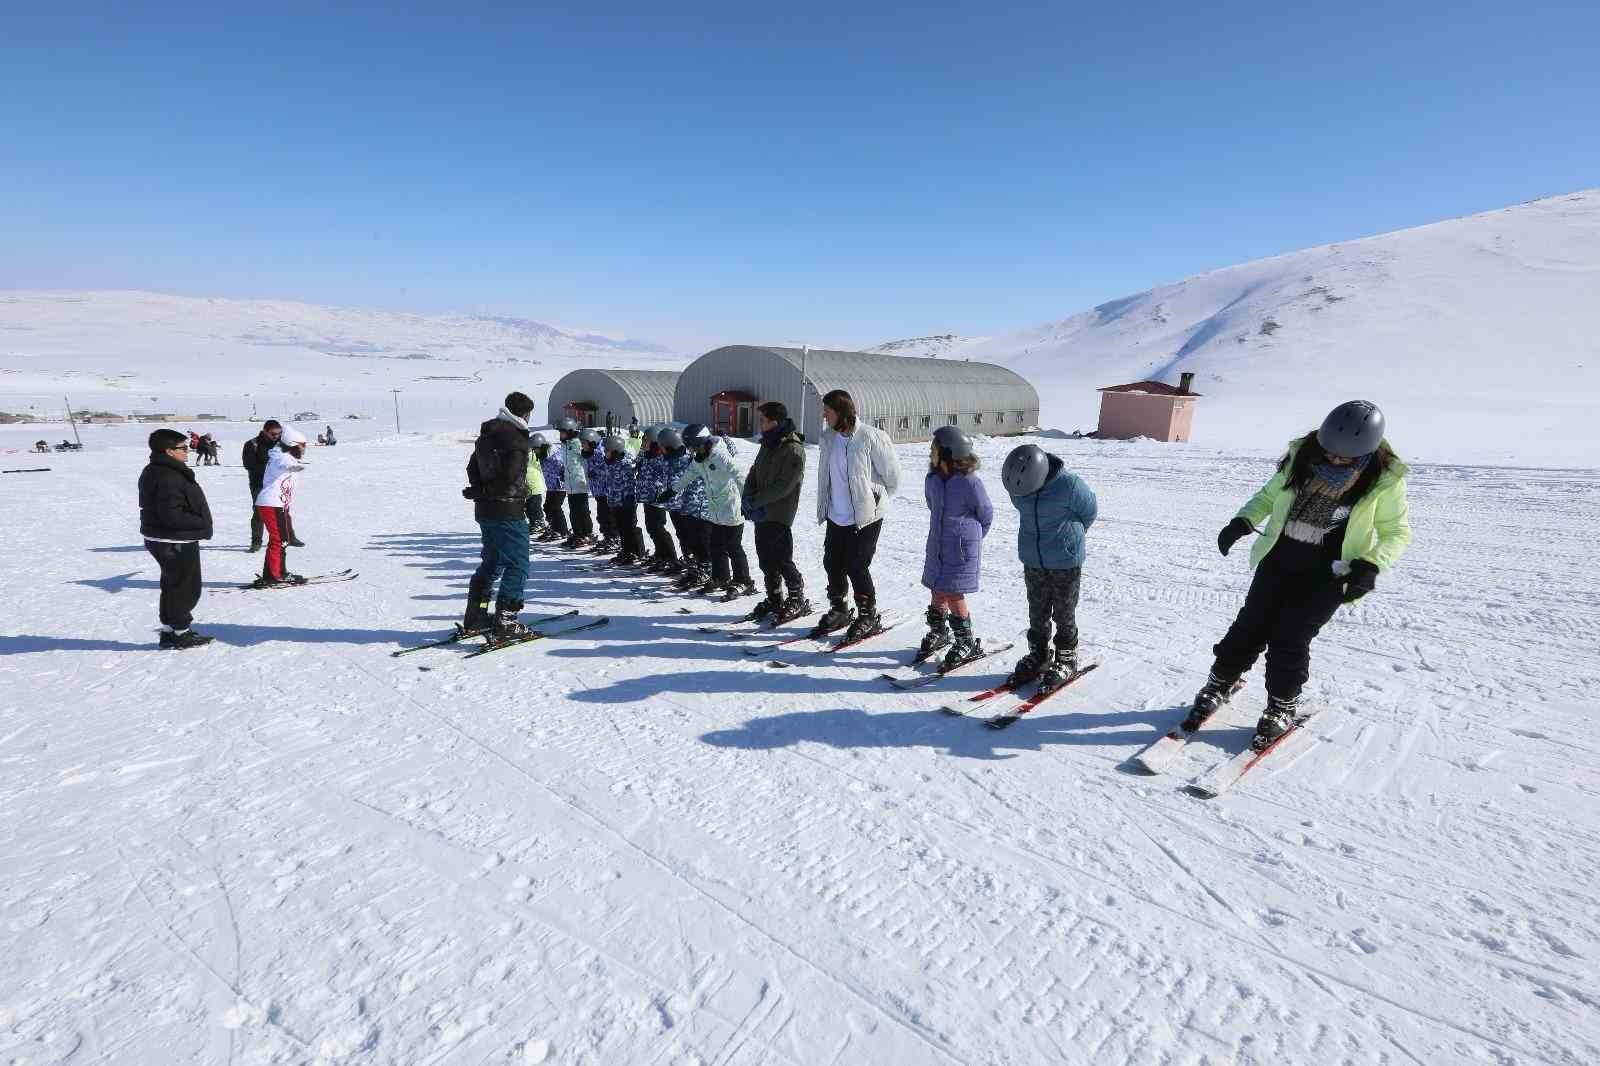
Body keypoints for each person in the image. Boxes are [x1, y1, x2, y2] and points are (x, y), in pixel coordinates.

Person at [1190, 401, 1411, 749]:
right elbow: (1268, 495)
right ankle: (1220, 682)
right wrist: (1243, 520)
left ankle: (1282, 706)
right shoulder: (1302, 456)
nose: (1335, 460)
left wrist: (1370, 565)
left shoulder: (1383, 481)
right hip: (1280, 557)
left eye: (1346, 458)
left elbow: (1396, 532)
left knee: (1290, 638)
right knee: (1249, 626)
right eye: (1330, 453)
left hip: (1329, 574)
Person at [1000, 443, 1097, 694]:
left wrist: (1071, 539)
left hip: (1065, 561)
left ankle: (1066, 658)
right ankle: (1039, 655)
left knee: (1064, 612)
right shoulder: (1019, 485)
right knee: (1037, 611)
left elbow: (1090, 511)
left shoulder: (1070, 485)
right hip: (1033, 559)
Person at [813, 389, 901, 641]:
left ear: (841, 411)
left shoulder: (871, 437)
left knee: (856, 565)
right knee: (832, 562)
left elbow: (893, 477)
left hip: (865, 516)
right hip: (836, 514)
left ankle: (867, 615)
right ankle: (839, 609)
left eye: (827, 411)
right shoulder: (828, 438)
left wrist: (874, 498)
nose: (824, 416)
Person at [462, 392, 536, 637]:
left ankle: (477, 615)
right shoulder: (516, 439)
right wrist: (491, 491)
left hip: (485, 510)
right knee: (518, 564)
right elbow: (510, 478)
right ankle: (506, 621)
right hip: (508, 510)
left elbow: (472, 467)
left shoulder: (487, 435)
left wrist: (480, 491)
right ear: (525, 414)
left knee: (492, 562)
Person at [919, 427, 993, 668]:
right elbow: (933, 507)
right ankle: (939, 631)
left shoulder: (970, 483)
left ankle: (966, 640)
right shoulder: (932, 480)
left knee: (953, 592)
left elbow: (986, 514)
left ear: (950, 452)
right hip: (939, 544)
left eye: (935, 447)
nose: (931, 451)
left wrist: (969, 539)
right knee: (936, 589)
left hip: (960, 548)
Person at [139, 429, 215, 648]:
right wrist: (202, 523)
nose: (188, 451)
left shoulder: (159, 469)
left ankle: (170, 630)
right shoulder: (167, 476)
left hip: (164, 538)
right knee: (186, 588)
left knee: (172, 585)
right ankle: (181, 632)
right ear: (169, 451)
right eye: (183, 448)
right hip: (174, 540)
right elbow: (171, 515)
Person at [739, 401, 810, 623]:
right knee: (765, 559)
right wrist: (747, 496)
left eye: (762, 420)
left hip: (779, 513)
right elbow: (754, 471)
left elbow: (784, 485)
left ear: (775, 422)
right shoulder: (767, 444)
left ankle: (797, 597)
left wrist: (757, 501)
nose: (759, 424)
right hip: (762, 512)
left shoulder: (793, 449)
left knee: (782, 558)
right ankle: (775, 597)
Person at [666, 424, 753, 598]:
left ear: (703, 443)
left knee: (733, 546)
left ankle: (743, 581)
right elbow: (688, 475)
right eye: (690, 449)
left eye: (694, 447)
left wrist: (747, 500)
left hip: (731, 508)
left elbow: (740, 475)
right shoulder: (700, 459)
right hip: (714, 510)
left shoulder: (720, 456)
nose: (692, 452)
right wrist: (673, 490)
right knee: (716, 546)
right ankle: (721, 577)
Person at [254, 426, 310, 587]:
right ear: (293, 444)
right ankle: (273, 575)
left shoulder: (287, 456)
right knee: (279, 540)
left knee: (282, 540)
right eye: (302, 445)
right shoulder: (280, 456)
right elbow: (283, 462)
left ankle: (278, 572)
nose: (304, 449)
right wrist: (292, 467)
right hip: (271, 503)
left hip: (278, 504)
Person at [660, 424, 712, 589]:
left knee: (701, 539)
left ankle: (707, 569)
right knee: (688, 538)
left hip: (699, 506)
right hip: (683, 506)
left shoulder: (688, 459)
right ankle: (695, 567)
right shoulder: (673, 459)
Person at [602, 433, 648, 565]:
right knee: (621, 527)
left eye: (607, 451)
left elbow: (632, 481)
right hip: (615, 500)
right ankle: (626, 551)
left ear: (615, 450)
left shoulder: (626, 463)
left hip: (626, 500)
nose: (605, 453)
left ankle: (638, 552)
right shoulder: (612, 462)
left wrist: (628, 497)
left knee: (630, 527)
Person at [635, 426, 677, 570]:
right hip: (647, 497)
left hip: (657, 498)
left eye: (645, 440)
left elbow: (666, 477)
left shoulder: (661, 458)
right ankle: (660, 554)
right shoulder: (647, 456)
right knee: (651, 527)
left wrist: (658, 489)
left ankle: (671, 557)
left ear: (653, 441)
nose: (643, 443)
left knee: (658, 527)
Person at [242, 420, 284, 552]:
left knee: (280, 512)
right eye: (273, 434)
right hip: (259, 485)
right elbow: (249, 465)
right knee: (259, 513)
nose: (276, 436)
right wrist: (270, 467)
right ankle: (256, 542)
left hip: (277, 484)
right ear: (265, 431)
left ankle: (281, 539)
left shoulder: (281, 445)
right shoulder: (252, 444)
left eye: (279, 433)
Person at [558, 418, 595, 548]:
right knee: (573, 511)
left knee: (582, 510)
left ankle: (587, 533)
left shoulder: (578, 443)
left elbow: (588, 456)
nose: (560, 435)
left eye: (562, 432)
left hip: (580, 482)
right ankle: (577, 533)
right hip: (570, 483)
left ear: (570, 432)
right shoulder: (564, 445)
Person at [583, 428, 616, 554]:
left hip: (606, 491)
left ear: (591, 442)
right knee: (601, 516)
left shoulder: (601, 452)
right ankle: (608, 537)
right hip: (598, 490)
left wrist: (595, 472)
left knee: (608, 516)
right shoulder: (591, 453)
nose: (582, 446)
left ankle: (613, 537)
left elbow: (609, 468)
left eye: (584, 443)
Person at [536, 431, 570, 541]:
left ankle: (562, 530)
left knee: (555, 508)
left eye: (535, 449)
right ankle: (554, 528)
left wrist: (564, 474)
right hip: (551, 485)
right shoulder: (542, 454)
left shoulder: (555, 454)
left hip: (559, 485)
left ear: (541, 446)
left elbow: (565, 463)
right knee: (547, 507)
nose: (534, 451)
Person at [525, 431, 549, 538]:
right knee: (529, 507)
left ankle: (539, 522)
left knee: (535, 507)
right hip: (529, 487)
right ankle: (534, 523)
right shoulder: (529, 455)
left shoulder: (532, 456)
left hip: (535, 487)